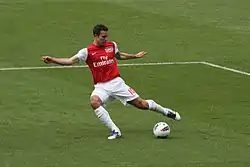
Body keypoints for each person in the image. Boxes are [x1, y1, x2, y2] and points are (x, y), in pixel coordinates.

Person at [41, 24, 181, 140]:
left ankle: (167, 112)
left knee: (142, 104)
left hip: (117, 83)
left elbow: (119, 56)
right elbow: (70, 61)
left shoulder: (111, 46)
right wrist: (53, 60)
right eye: (103, 37)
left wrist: (135, 56)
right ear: (95, 36)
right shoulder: (87, 52)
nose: (106, 39)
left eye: (106, 36)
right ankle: (115, 131)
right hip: (101, 87)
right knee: (94, 102)